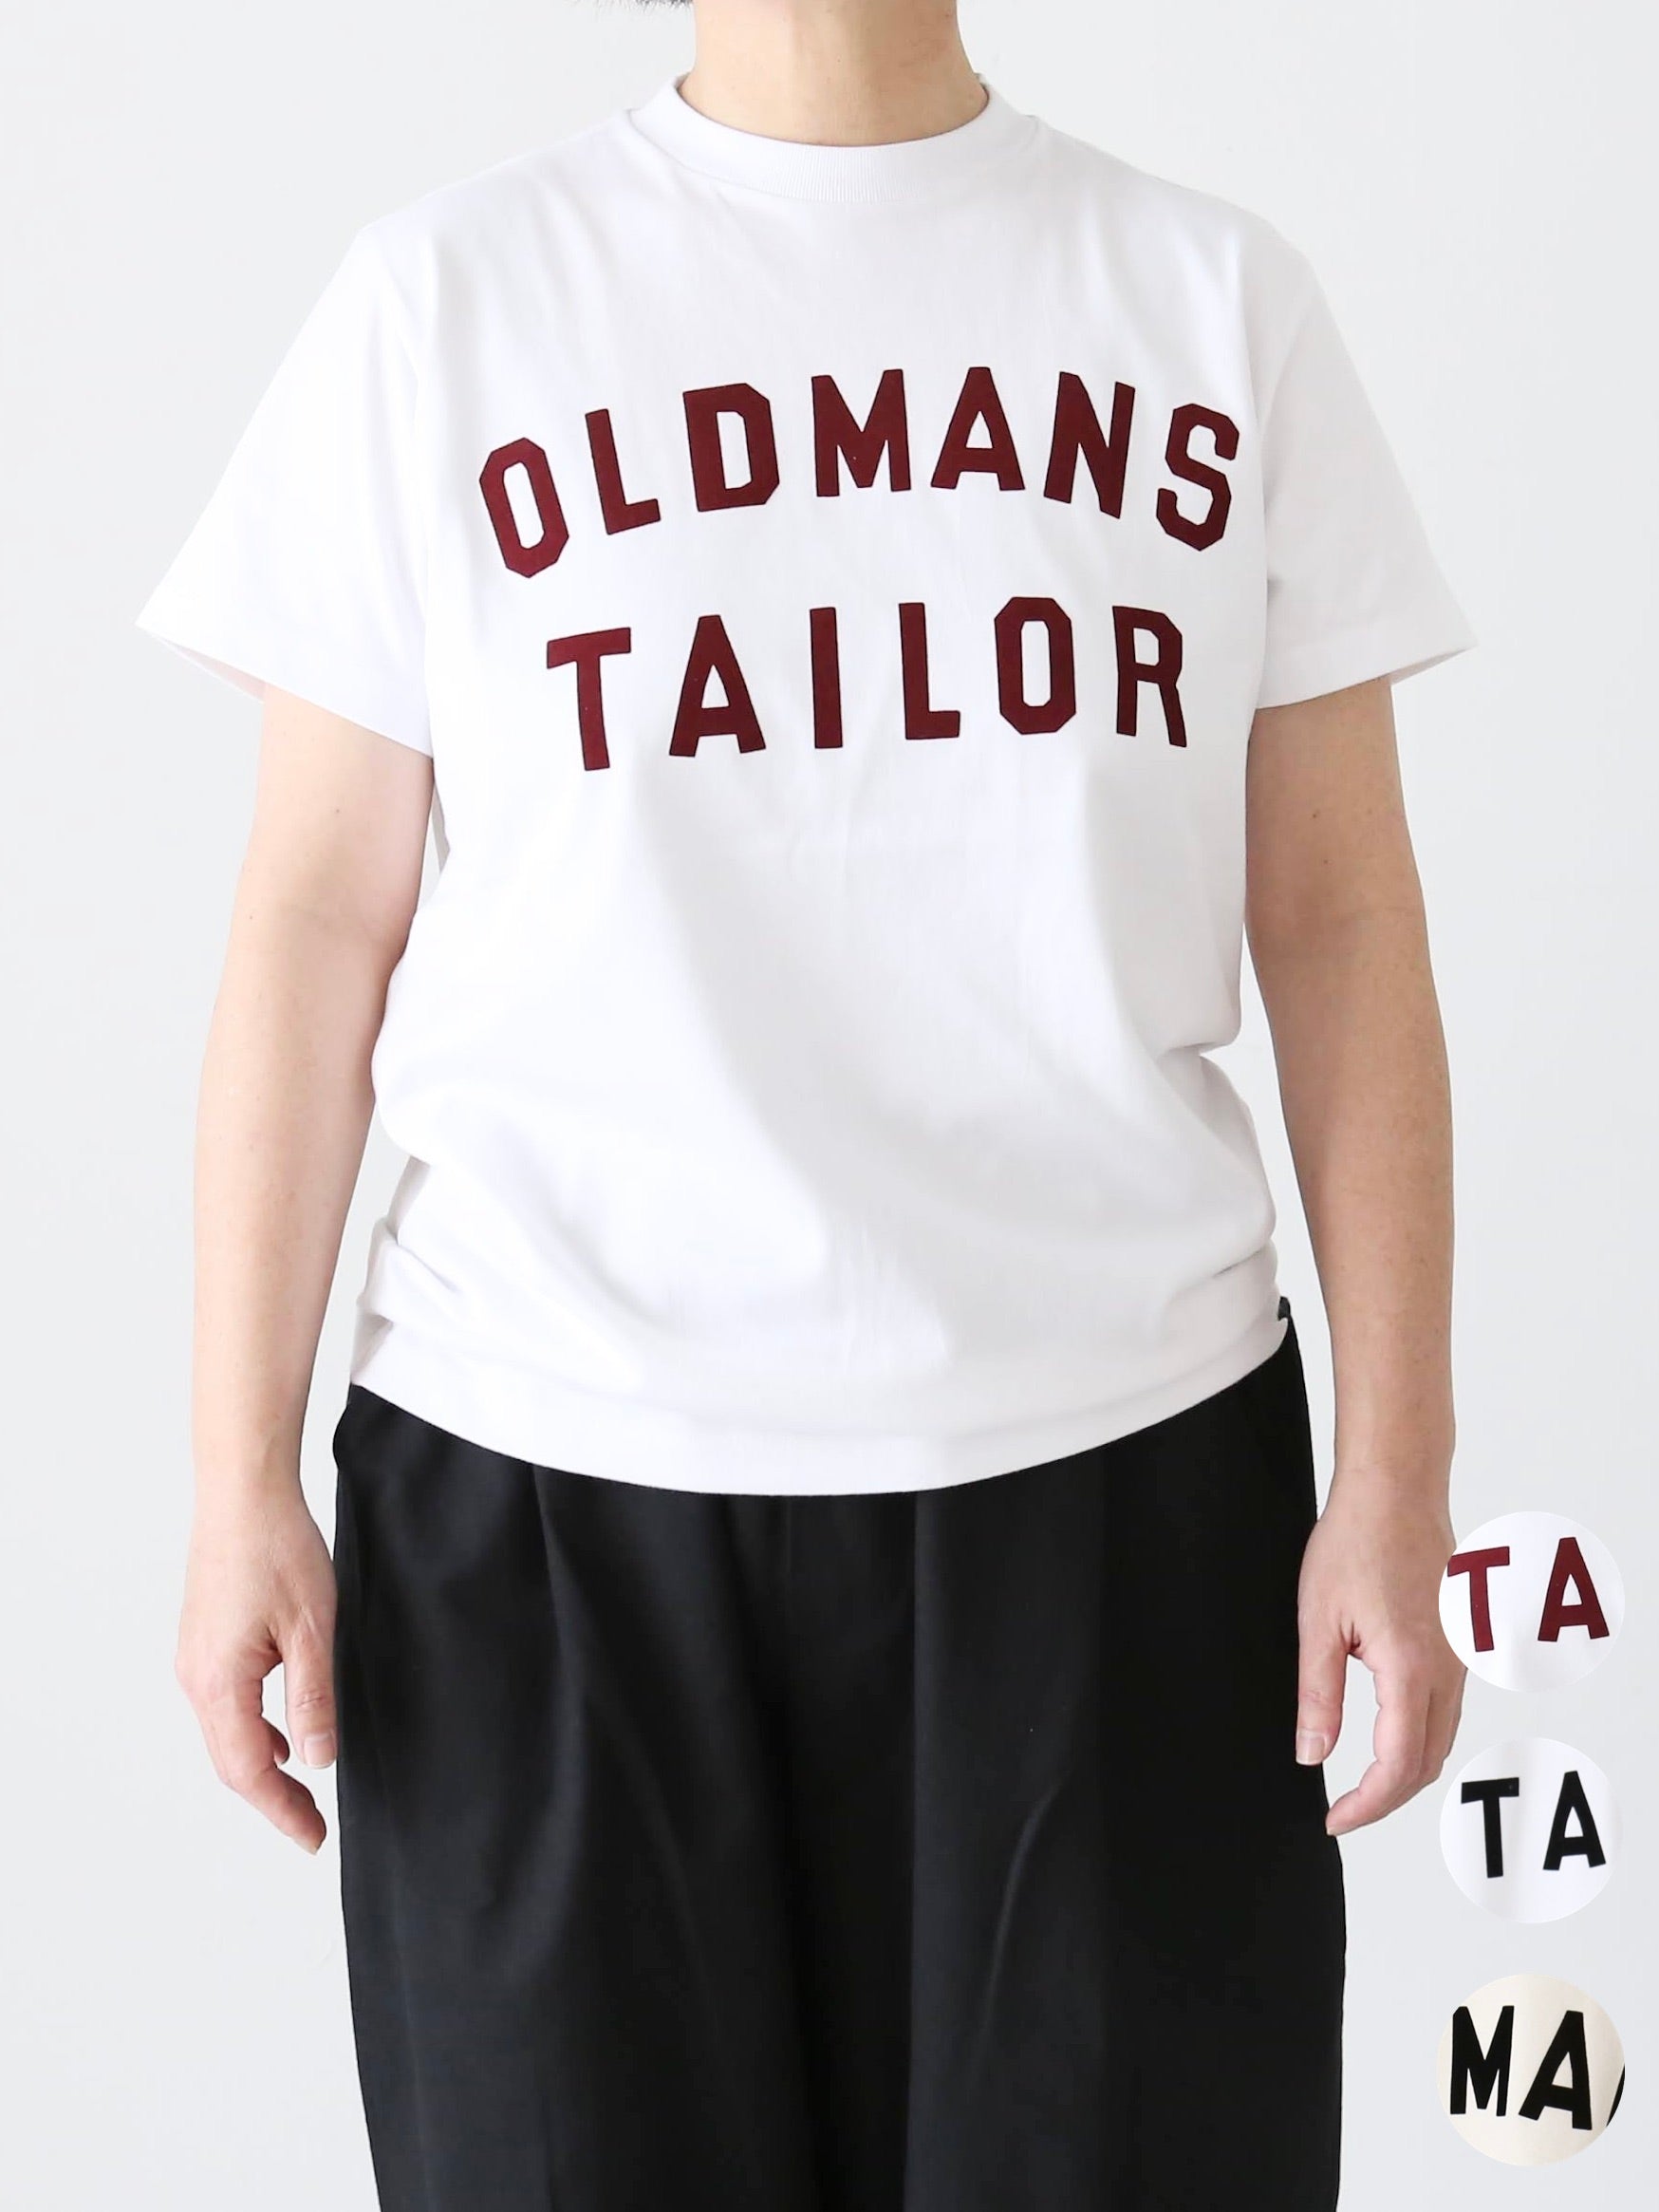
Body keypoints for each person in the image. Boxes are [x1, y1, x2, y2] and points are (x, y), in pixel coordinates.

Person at [136, 2, 1474, 2205]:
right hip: (543, 1481)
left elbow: (1338, 917)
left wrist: (1397, 1479)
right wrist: (232, 1477)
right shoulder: (443, 304)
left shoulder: (1208, 300)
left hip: (1117, 1474)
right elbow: (309, 920)